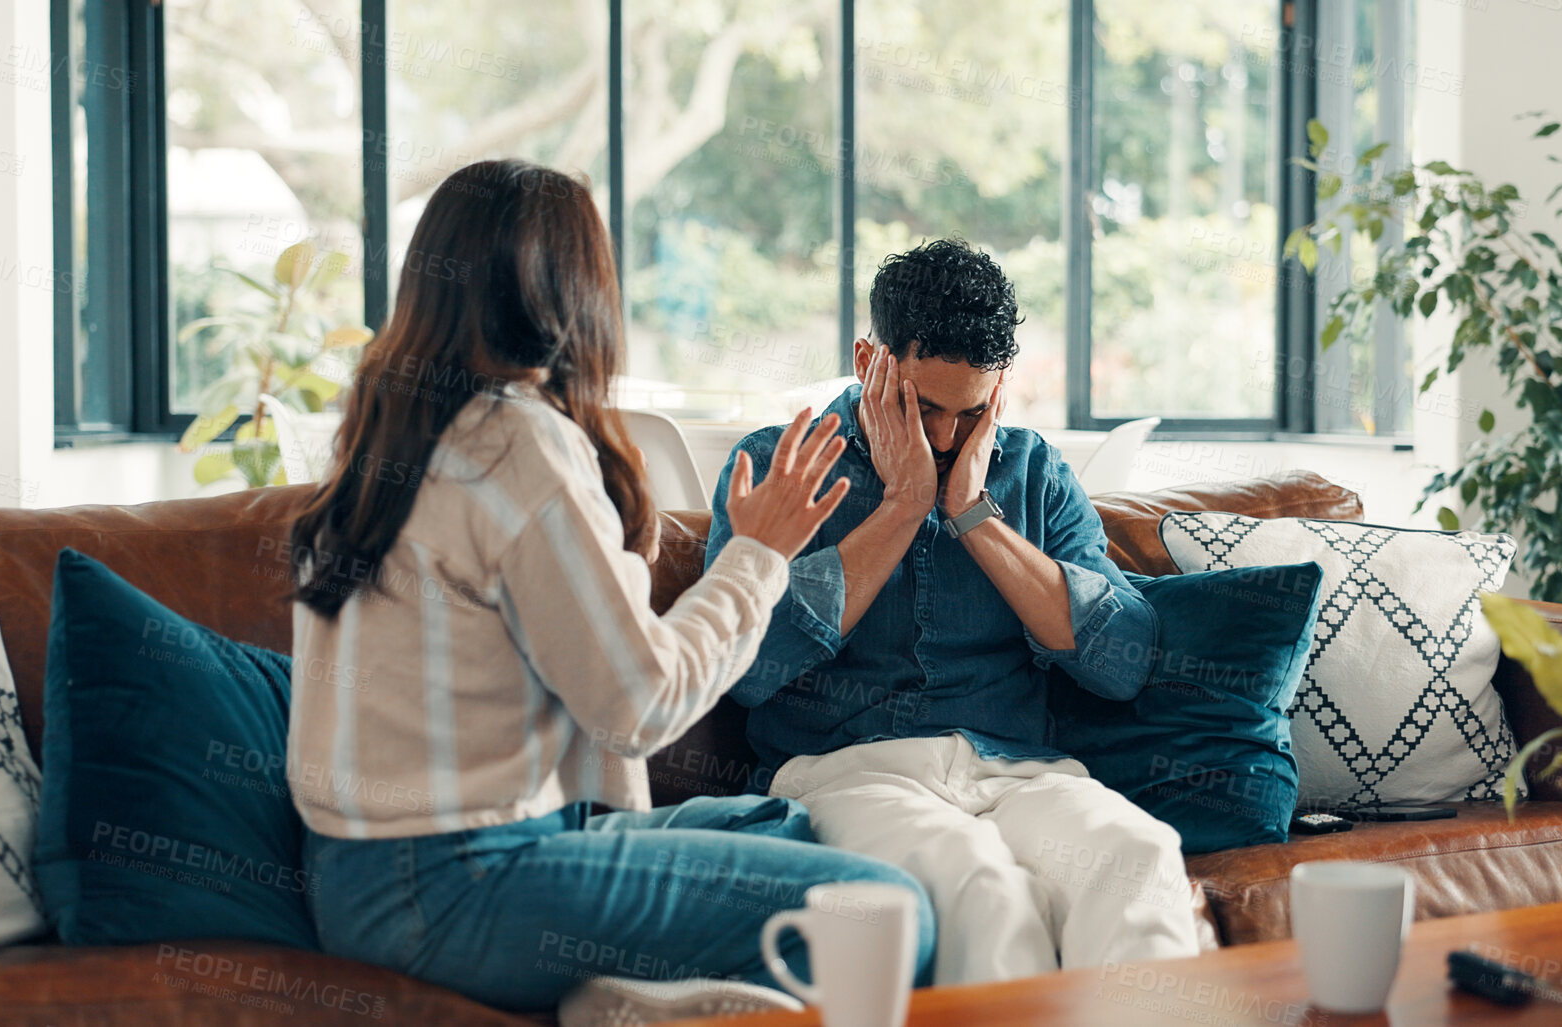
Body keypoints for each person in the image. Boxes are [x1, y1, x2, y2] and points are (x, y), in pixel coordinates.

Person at [283, 159, 935, 1023]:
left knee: (775, 827)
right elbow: (637, 702)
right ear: (574, 289)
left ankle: (618, 990)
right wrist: (760, 552)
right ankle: (613, 997)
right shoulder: (517, 441)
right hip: (457, 880)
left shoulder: (383, 428)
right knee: (884, 905)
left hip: (356, 875)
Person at [703, 238, 1208, 985]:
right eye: (924, 406)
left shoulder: (1033, 470)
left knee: (1139, 856)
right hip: (846, 772)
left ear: (1001, 382)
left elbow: (1121, 663)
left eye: (969, 412)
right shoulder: (782, 465)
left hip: (1019, 773)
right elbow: (742, 666)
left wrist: (973, 513)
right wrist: (904, 506)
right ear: (868, 358)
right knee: (986, 889)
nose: (943, 438)